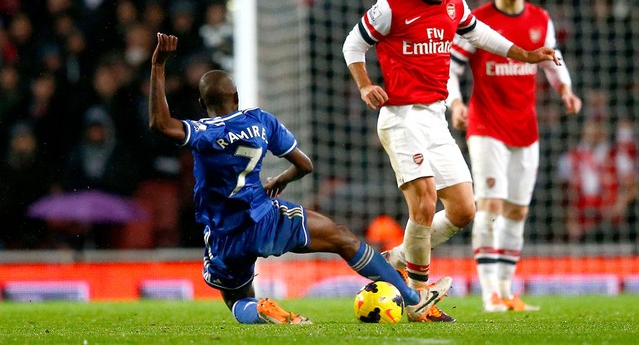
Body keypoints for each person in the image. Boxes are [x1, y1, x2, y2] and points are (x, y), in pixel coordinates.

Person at [148, 32, 452, 324]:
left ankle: (262, 310)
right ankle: (413, 299)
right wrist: (281, 179)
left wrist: (158, 64)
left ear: (203, 104)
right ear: (236, 97)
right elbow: (304, 165)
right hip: (266, 218)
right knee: (343, 238)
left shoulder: (203, 132)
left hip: (226, 234)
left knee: (237, 299)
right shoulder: (260, 121)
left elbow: (160, 124)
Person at [342, 0, 560, 322]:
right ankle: (418, 297)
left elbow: (481, 35)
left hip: (434, 118)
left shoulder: (454, 2)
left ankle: (400, 257)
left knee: (463, 209)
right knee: (424, 203)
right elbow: (352, 45)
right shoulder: (390, 6)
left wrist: (525, 54)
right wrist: (364, 84)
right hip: (400, 114)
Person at [446, 0, 582, 312]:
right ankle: (490, 292)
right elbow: (451, 70)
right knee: (489, 205)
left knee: (518, 211)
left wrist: (565, 89)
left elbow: (554, 61)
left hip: (526, 128)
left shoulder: (540, 19)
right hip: (486, 125)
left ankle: (506, 290)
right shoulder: (476, 21)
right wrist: (456, 104)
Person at [558, 117, 637, 242]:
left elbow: (632, 185)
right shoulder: (569, 158)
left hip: (610, 223)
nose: (594, 130)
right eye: (591, 125)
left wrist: (620, 204)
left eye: (599, 125)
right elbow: (563, 193)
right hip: (582, 222)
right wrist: (569, 220)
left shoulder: (617, 155)